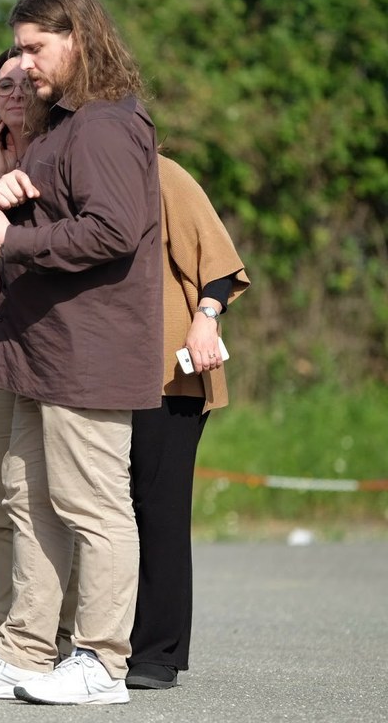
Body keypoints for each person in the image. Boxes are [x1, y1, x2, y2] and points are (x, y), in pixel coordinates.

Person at [0, 0, 162, 706]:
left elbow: (114, 230)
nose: (25, 63)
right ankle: (27, 651)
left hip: (87, 349)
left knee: (92, 505)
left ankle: (102, 662)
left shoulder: (103, 123)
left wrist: (11, 239)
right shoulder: (60, 125)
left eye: (37, 47)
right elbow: (71, 215)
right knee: (27, 498)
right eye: (21, 47)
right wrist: (15, 199)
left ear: (79, 38)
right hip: (37, 346)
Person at [126, 156, 249, 690]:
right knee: (108, 514)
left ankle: (158, 651)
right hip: (102, 374)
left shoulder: (161, 173)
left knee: (159, 509)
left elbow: (220, 264)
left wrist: (206, 319)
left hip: (168, 374)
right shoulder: (73, 175)